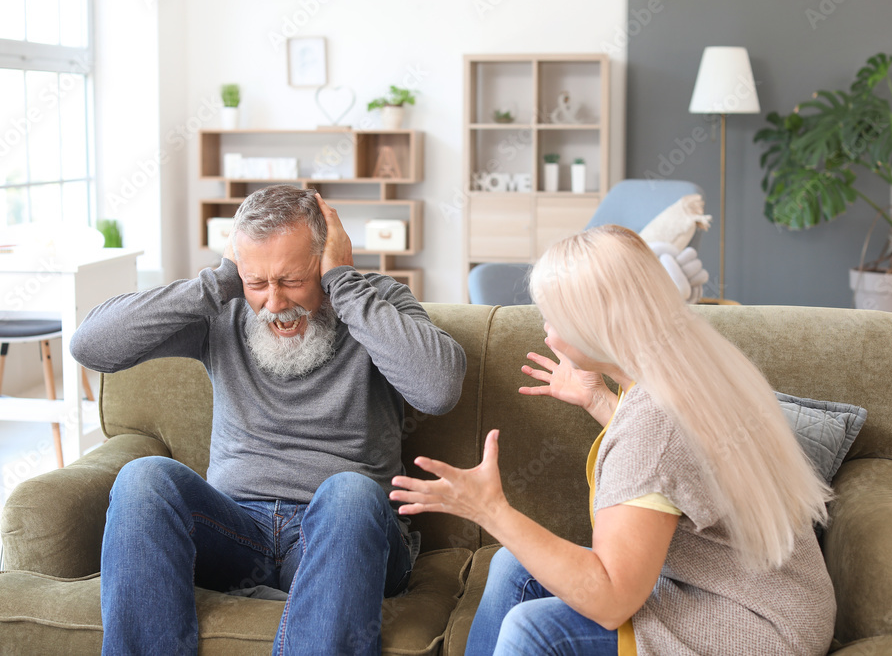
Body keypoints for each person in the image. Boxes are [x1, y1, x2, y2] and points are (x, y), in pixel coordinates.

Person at [390, 225, 836, 655]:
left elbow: (610, 600)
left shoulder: (652, 424)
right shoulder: (691, 363)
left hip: (755, 632)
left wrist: (489, 510)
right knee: (512, 564)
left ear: (593, 325)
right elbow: (678, 464)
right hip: (780, 601)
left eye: (553, 316)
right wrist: (599, 402)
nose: (545, 328)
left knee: (536, 630)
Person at [70, 185, 467, 655]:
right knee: (142, 479)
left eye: (293, 280)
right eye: (258, 282)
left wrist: (344, 283)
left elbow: (439, 389)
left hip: (342, 530)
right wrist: (217, 283)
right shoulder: (223, 306)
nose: (275, 304)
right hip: (236, 532)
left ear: (326, 258)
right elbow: (90, 347)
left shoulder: (372, 300)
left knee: (351, 491)